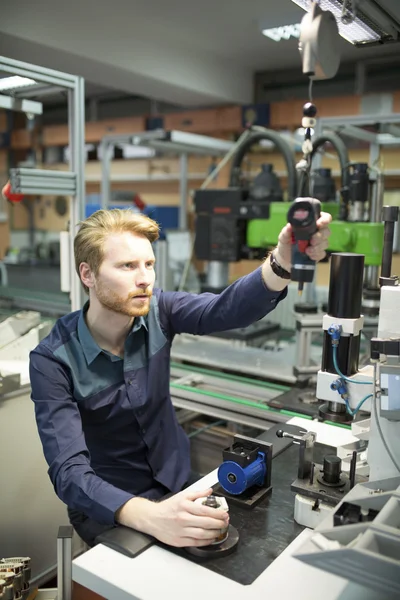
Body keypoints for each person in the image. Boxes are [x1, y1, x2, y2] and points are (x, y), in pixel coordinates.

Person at [30, 207, 331, 549]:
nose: (144, 278)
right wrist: (152, 516)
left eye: (148, 264)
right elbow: (69, 473)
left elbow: (225, 309)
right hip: (109, 510)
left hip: (177, 482)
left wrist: (281, 261)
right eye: (127, 266)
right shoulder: (53, 360)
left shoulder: (160, 310)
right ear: (88, 274)